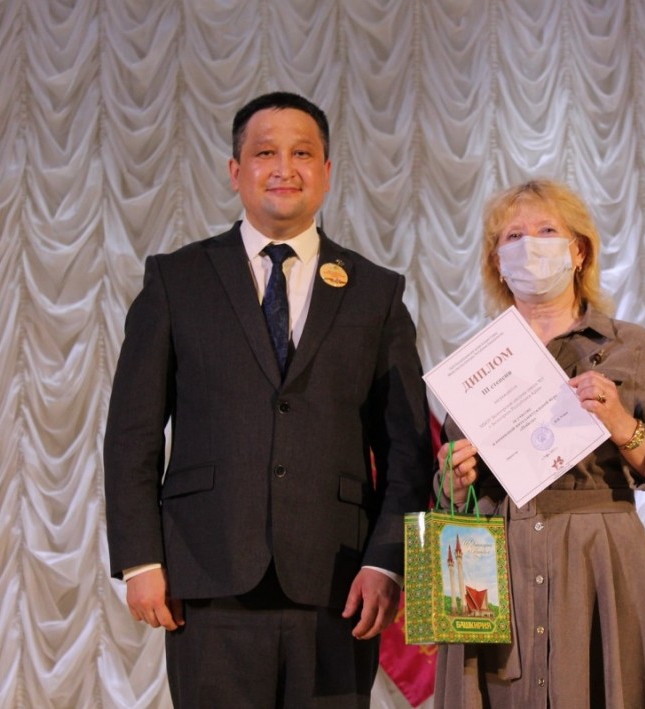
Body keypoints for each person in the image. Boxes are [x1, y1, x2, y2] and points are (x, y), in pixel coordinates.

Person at [103, 91, 434, 708]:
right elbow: (132, 434)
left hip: (340, 584)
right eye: (265, 153)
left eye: (302, 153)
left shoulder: (376, 293)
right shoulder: (177, 280)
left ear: (327, 172)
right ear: (236, 171)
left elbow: (408, 452)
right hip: (207, 579)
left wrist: (389, 563)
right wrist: (140, 559)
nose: (285, 168)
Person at [434, 179, 645, 707]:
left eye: (547, 231)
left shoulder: (630, 346)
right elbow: (451, 492)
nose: (529, 246)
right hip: (494, 557)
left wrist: (622, 425)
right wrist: (452, 481)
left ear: (579, 252)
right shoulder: (476, 363)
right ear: (497, 262)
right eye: (513, 236)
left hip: (598, 558)